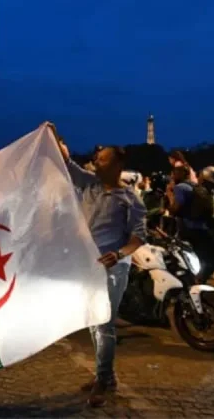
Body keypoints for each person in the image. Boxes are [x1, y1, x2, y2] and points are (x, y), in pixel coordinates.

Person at [46, 123, 146, 407]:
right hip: (88, 266)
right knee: (93, 322)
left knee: (103, 324)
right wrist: (51, 133)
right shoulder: (88, 184)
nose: (95, 162)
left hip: (114, 269)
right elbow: (64, 161)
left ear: (117, 165)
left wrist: (119, 253)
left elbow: (138, 238)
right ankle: (107, 375)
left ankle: (102, 380)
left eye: (102, 160)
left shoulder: (131, 200)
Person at [167, 165, 214, 283]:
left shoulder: (180, 188)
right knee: (209, 257)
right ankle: (201, 279)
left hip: (188, 228)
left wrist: (170, 195)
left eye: (174, 174)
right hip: (202, 227)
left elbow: (175, 208)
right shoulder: (195, 186)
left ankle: (195, 281)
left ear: (179, 175)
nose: (172, 177)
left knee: (185, 259)